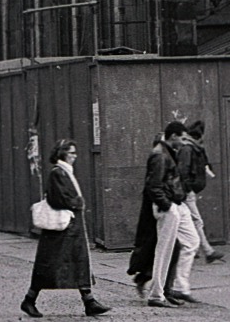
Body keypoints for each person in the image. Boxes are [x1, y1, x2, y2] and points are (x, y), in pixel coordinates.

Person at [21, 139, 110, 318]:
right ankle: (29, 300)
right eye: (72, 153)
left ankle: (89, 300)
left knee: (77, 262)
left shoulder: (64, 172)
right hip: (63, 229)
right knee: (51, 265)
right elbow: (57, 198)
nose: (75, 156)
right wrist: (77, 203)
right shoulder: (58, 173)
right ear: (63, 154)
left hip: (71, 228)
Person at [127, 122, 200, 308]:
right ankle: (158, 294)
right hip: (169, 204)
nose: (184, 142)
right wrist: (167, 206)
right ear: (173, 136)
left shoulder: (165, 152)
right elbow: (154, 186)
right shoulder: (160, 154)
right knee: (165, 249)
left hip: (175, 202)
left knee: (190, 241)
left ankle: (170, 289)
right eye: (182, 138)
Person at [177, 120, 224, 264]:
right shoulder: (189, 149)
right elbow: (183, 171)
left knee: (186, 221)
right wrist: (188, 190)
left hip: (187, 191)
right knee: (196, 220)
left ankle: (194, 249)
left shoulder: (189, 148)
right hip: (187, 192)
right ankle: (207, 250)